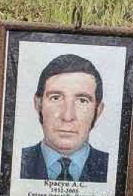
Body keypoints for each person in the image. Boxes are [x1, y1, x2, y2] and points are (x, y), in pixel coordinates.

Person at [19, 54, 109, 182]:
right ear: (38, 104)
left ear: (98, 110)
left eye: (82, 101)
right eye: (56, 98)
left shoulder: (112, 169)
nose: (67, 116)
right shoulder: (16, 162)